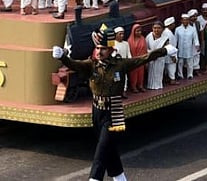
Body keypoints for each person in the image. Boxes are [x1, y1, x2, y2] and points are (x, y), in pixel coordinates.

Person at [53, 27, 168, 181]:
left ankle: (95, 178)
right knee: (108, 147)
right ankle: (120, 177)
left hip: (113, 112)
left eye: (104, 49)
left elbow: (143, 58)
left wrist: (164, 51)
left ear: (111, 50)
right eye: (98, 48)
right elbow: (74, 64)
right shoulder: (92, 65)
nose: (99, 52)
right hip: (96, 111)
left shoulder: (120, 65)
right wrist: (62, 57)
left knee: (102, 148)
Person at [174, 13, 200, 79]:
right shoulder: (177, 29)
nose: (185, 21)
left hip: (189, 48)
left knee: (189, 62)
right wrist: (174, 48)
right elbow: (175, 40)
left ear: (188, 20)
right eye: (184, 20)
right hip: (181, 48)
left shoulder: (192, 29)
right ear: (181, 21)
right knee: (180, 62)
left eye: (186, 20)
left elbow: (195, 38)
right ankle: (180, 74)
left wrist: (197, 45)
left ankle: (190, 74)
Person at [145, 21, 169, 90]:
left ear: (162, 29)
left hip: (160, 59)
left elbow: (167, 49)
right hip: (151, 58)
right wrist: (151, 54)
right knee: (151, 73)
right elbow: (146, 48)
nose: (156, 30)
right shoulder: (149, 36)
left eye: (159, 28)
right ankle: (150, 86)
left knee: (158, 73)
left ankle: (158, 86)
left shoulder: (165, 38)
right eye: (155, 28)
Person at [126, 23, 148, 94]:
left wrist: (145, 59)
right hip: (134, 60)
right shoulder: (130, 40)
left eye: (140, 31)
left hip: (141, 60)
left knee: (141, 74)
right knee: (133, 74)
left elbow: (145, 49)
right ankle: (133, 86)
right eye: (137, 31)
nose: (139, 32)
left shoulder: (143, 39)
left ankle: (140, 85)